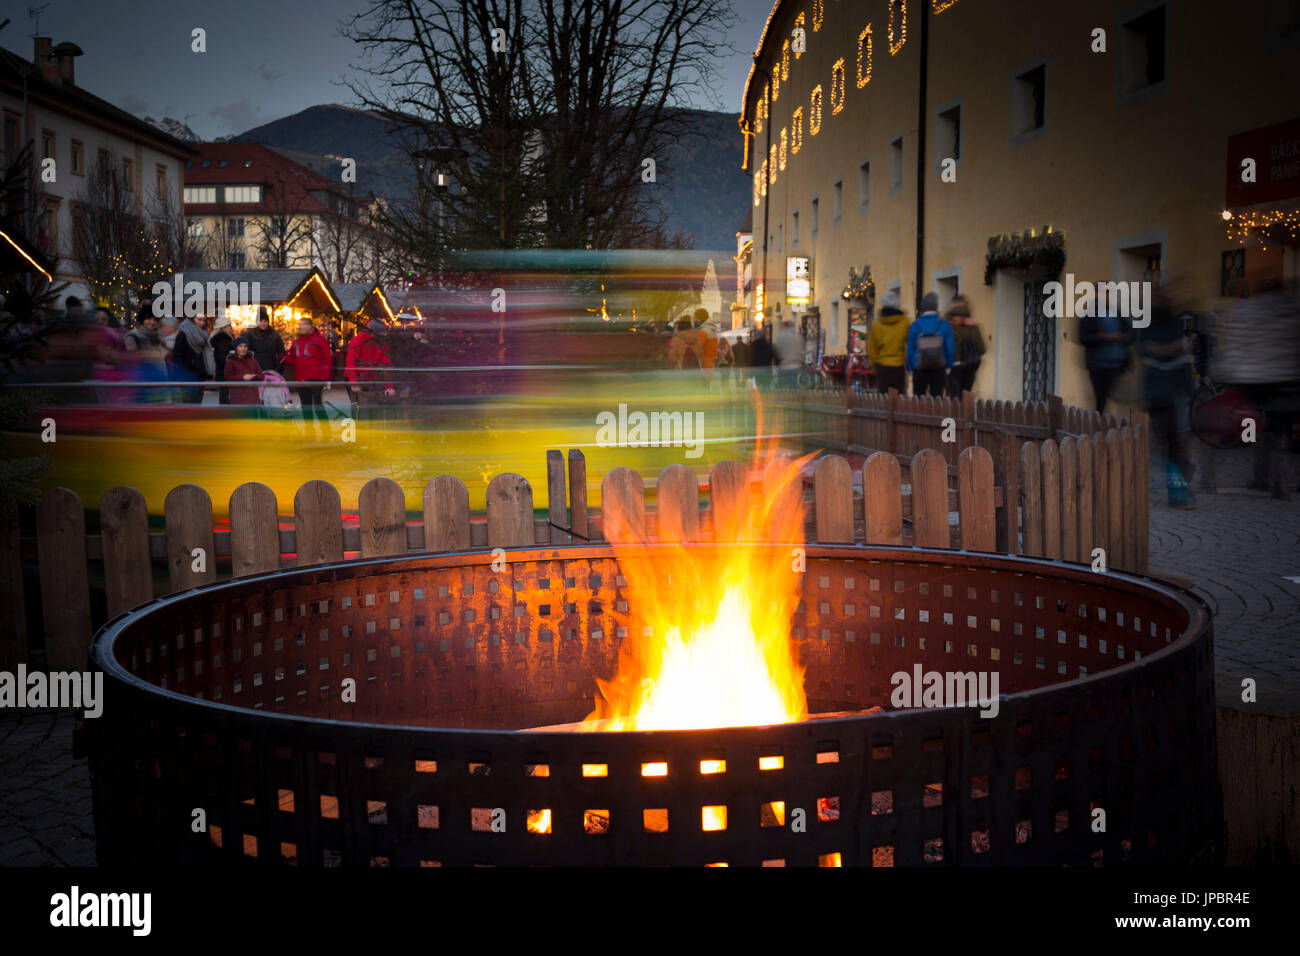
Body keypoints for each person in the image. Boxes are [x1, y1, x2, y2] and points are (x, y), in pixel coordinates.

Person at [1212, 276, 1300, 499]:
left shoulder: (1247, 310)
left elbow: (1237, 343)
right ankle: (1281, 482)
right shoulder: (1291, 308)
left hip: (1253, 379)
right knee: (1282, 428)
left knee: (1254, 425)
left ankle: (1259, 475)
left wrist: (1227, 369)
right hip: (1284, 378)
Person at [1138, 289, 1197, 508]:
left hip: (1169, 394)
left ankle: (1179, 487)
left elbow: (1178, 359)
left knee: (1171, 442)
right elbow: (1148, 350)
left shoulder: (1166, 325)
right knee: (1170, 442)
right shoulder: (1153, 326)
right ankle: (1179, 488)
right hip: (1162, 394)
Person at [1078, 292, 1134, 413]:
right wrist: (1105, 337)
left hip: (1118, 365)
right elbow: (1084, 337)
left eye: (1110, 294)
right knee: (1101, 401)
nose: (1108, 297)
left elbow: (1131, 334)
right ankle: (1100, 427)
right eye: (1105, 294)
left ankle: (1117, 427)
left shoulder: (1116, 313)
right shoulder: (1090, 314)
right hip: (1098, 366)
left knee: (1122, 398)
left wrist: (1124, 337)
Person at [283, 316, 333, 433]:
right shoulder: (296, 342)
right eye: (300, 324)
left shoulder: (320, 340)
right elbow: (291, 360)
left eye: (304, 324)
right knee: (306, 407)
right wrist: (283, 354)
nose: (301, 326)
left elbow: (327, 359)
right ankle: (310, 433)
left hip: (316, 379)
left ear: (311, 326)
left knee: (318, 406)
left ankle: (326, 432)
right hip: (301, 379)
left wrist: (326, 378)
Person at [906, 291, 955, 397]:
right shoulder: (944, 324)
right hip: (939, 367)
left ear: (923, 307)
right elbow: (950, 348)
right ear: (936, 307)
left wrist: (908, 367)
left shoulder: (915, 325)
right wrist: (949, 366)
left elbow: (910, 348)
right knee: (937, 400)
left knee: (918, 399)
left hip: (918, 367)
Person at [345, 318, 396, 406]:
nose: (384, 334)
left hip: (371, 378)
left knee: (372, 406)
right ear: (375, 332)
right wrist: (353, 382)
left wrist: (389, 386)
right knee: (358, 408)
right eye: (382, 332)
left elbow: (386, 364)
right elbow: (351, 361)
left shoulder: (382, 342)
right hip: (356, 377)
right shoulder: (358, 340)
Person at [868, 289, 909, 394]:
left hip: (882, 366)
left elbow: (872, 349)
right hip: (898, 366)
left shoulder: (876, 324)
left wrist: (874, 366)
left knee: (883, 399)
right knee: (899, 398)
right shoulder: (904, 322)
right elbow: (909, 343)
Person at [944, 295, 985, 397]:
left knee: (953, 398)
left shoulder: (947, 325)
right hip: (969, 366)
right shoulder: (973, 326)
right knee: (966, 398)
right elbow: (982, 349)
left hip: (952, 367)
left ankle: (953, 413)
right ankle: (964, 413)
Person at [170, 314, 213, 404]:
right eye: (199, 320)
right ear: (192, 320)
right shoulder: (183, 334)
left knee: (196, 407)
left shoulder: (203, 334)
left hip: (199, 377)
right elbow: (176, 357)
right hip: (187, 378)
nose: (202, 323)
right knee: (188, 407)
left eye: (204, 320)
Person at [223, 336, 265, 406]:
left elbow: (262, 377)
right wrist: (242, 377)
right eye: (240, 346)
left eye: (245, 346)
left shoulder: (253, 361)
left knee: (252, 416)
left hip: (252, 397)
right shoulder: (231, 362)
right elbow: (228, 378)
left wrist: (254, 376)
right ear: (236, 348)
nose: (243, 349)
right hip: (237, 397)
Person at [247, 307, 285, 372]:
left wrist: (279, 367)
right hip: (256, 368)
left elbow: (281, 351)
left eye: (265, 321)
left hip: (272, 368)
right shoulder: (251, 334)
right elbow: (246, 351)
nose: (263, 323)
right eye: (261, 321)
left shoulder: (274, 334)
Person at [210, 314, 236, 404]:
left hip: (221, 373)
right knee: (226, 398)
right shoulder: (223, 340)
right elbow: (223, 359)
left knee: (224, 397)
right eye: (229, 325)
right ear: (223, 328)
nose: (231, 327)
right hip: (225, 373)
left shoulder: (219, 339)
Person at [773, 319, 804, 388]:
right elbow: (802, 352)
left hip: (783, 366)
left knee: (782, 388)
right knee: (793, 387)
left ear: (784, 327)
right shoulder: (798, 337)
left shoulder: (779, 337)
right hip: (796, 366)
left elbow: (776, 351)